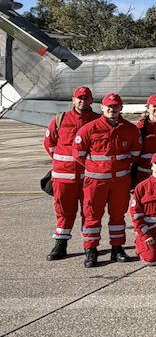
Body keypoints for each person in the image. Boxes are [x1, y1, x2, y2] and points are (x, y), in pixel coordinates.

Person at [74, 93, 143, 267]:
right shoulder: (90, 128)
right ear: (102, 108)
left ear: (121, 108)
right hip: (95, 183)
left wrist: (120, 167)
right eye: (109, 106)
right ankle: (91, 250)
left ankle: (117, 248)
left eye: (116, 106)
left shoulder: (130, 129)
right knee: (92, 217)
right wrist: (95, 169)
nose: (113, 109)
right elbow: (78, 154)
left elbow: (135, 152)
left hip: (120, 182)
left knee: (118, 216)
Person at [43, 86, 99, 260]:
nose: (83, 101)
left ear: (91, 101)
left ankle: (90, 247)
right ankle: (61, 245)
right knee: (64, 213)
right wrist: (63, 164)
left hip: (89, 178)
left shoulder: (98, 121)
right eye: (79, 98)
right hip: (63, 178)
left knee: (89, 213)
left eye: (86, 98)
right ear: (73, 100)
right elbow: (50, 144)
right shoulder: (60, 120)